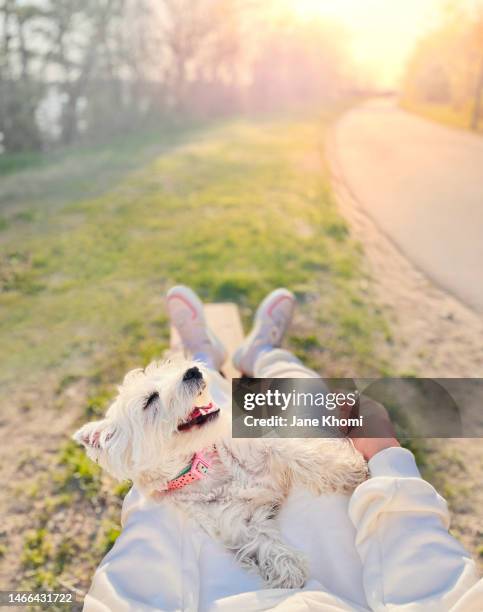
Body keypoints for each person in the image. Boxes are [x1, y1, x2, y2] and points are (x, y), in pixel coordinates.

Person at [84, 287, 482, 611]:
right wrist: (386, 456)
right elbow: (441, 584)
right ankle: (264, 355)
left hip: (194, 560)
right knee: (308, 407)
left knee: (174, 453)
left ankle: (204, 357)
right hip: (351, 568)